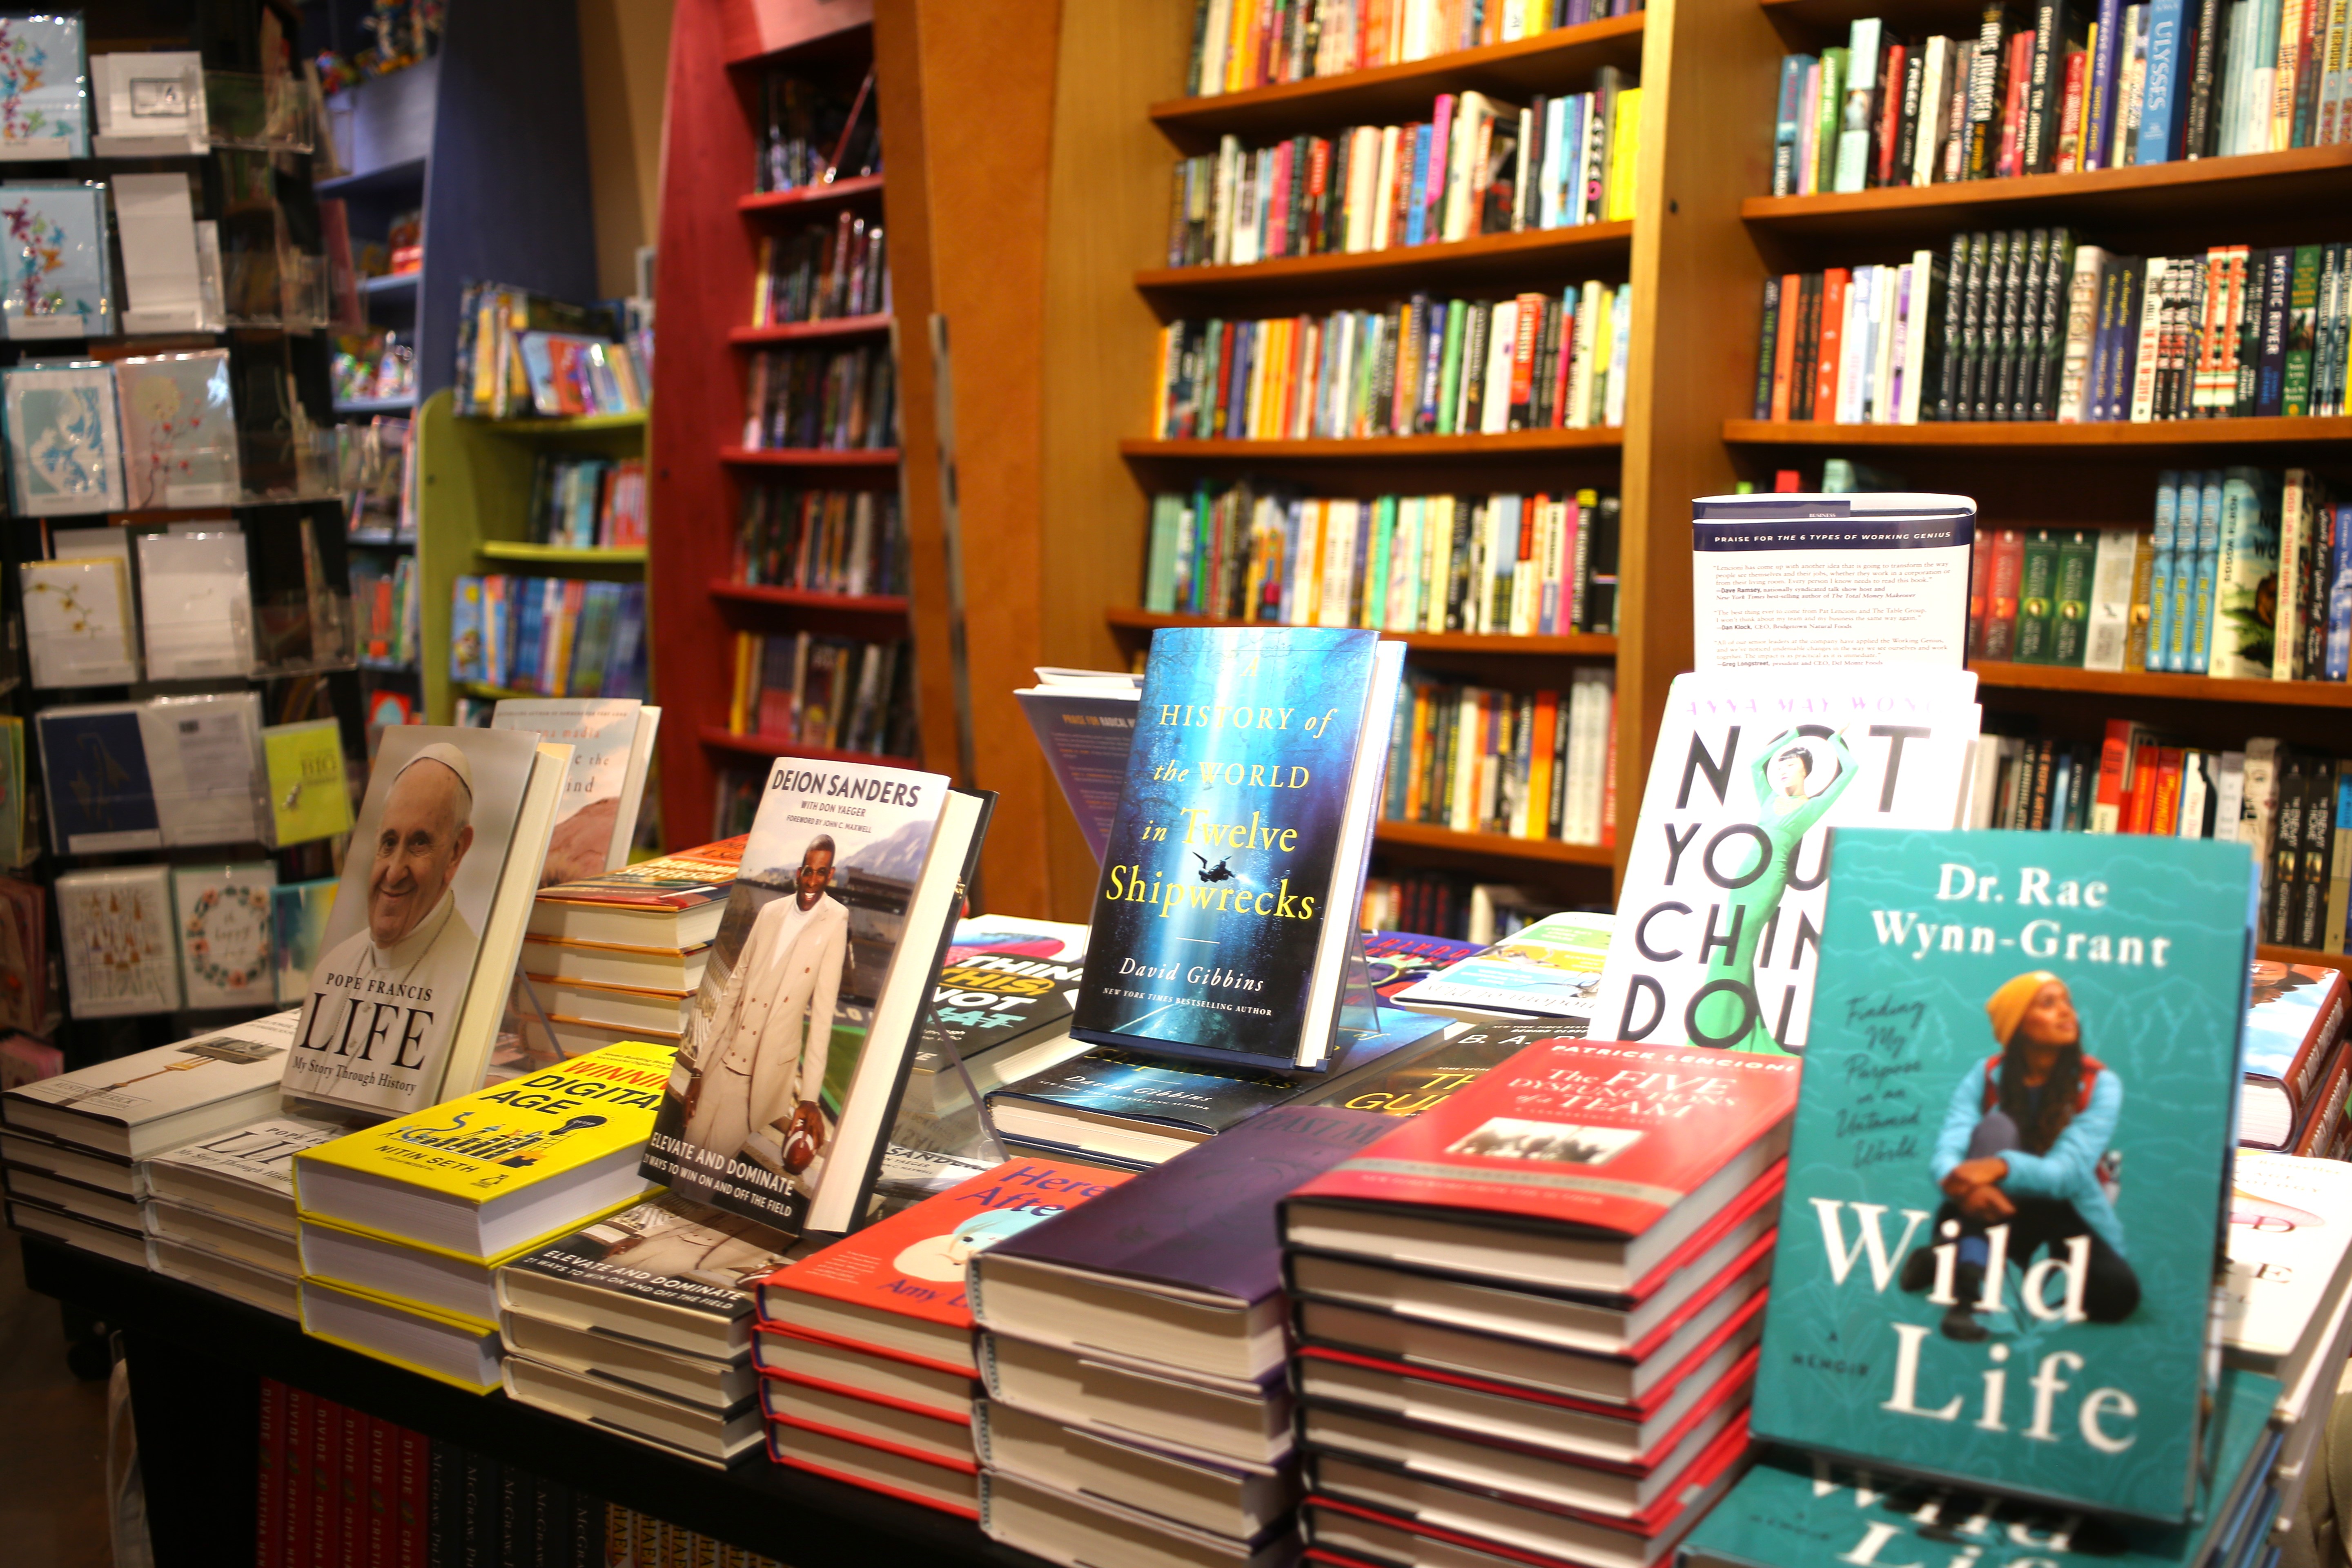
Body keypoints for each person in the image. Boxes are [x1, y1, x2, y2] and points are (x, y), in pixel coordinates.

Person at [1900, 970, 2141, 1341]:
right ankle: (1969, 1296)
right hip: (1988, 1204)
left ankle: (1944, 1258)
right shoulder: (1986, 1074)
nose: (2066, 1013)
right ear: (2017, 1024)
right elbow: (1950, 1146)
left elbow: (2068, 1172)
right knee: (1998, 1128)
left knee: (2117, 1296)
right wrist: (1963, 1181)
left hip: (2063, 1209)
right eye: (2048, 1004)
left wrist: (1998, 1166)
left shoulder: (2099, 1084)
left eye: (2067, 1003)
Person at [679, 835, 849, 1188]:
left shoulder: (836, 920)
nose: (812, 880)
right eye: (807, 870)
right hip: (720, 1062)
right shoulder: (771, 912)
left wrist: (809, 1099)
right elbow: (733, 991)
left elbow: (821, 1018)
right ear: (798, 871)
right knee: (685, 1160)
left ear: (829, 874)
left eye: (821, 873)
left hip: (760, 1077)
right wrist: (698, 1070)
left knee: (708, 1173)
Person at [304, 742, 481, 1071]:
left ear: (456, 852)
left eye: (419, 843)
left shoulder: (473, 986)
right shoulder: (334, 968)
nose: (394, 871)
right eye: (389, 843)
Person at [1688, 727, 1853, 1054]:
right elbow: (1754, 765)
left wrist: (1834, 741)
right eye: (1781, 765)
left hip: (1767, 883)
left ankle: (1715, 1028)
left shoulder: (1813, 806)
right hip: (1742, 876)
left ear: (1806, 770)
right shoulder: (1769, 798)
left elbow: (1851, 771)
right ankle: (1736, 1030)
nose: (1782, 770)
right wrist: (1792, 733)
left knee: (1735, 948)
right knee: (1733, 947)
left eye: (1790, 765)